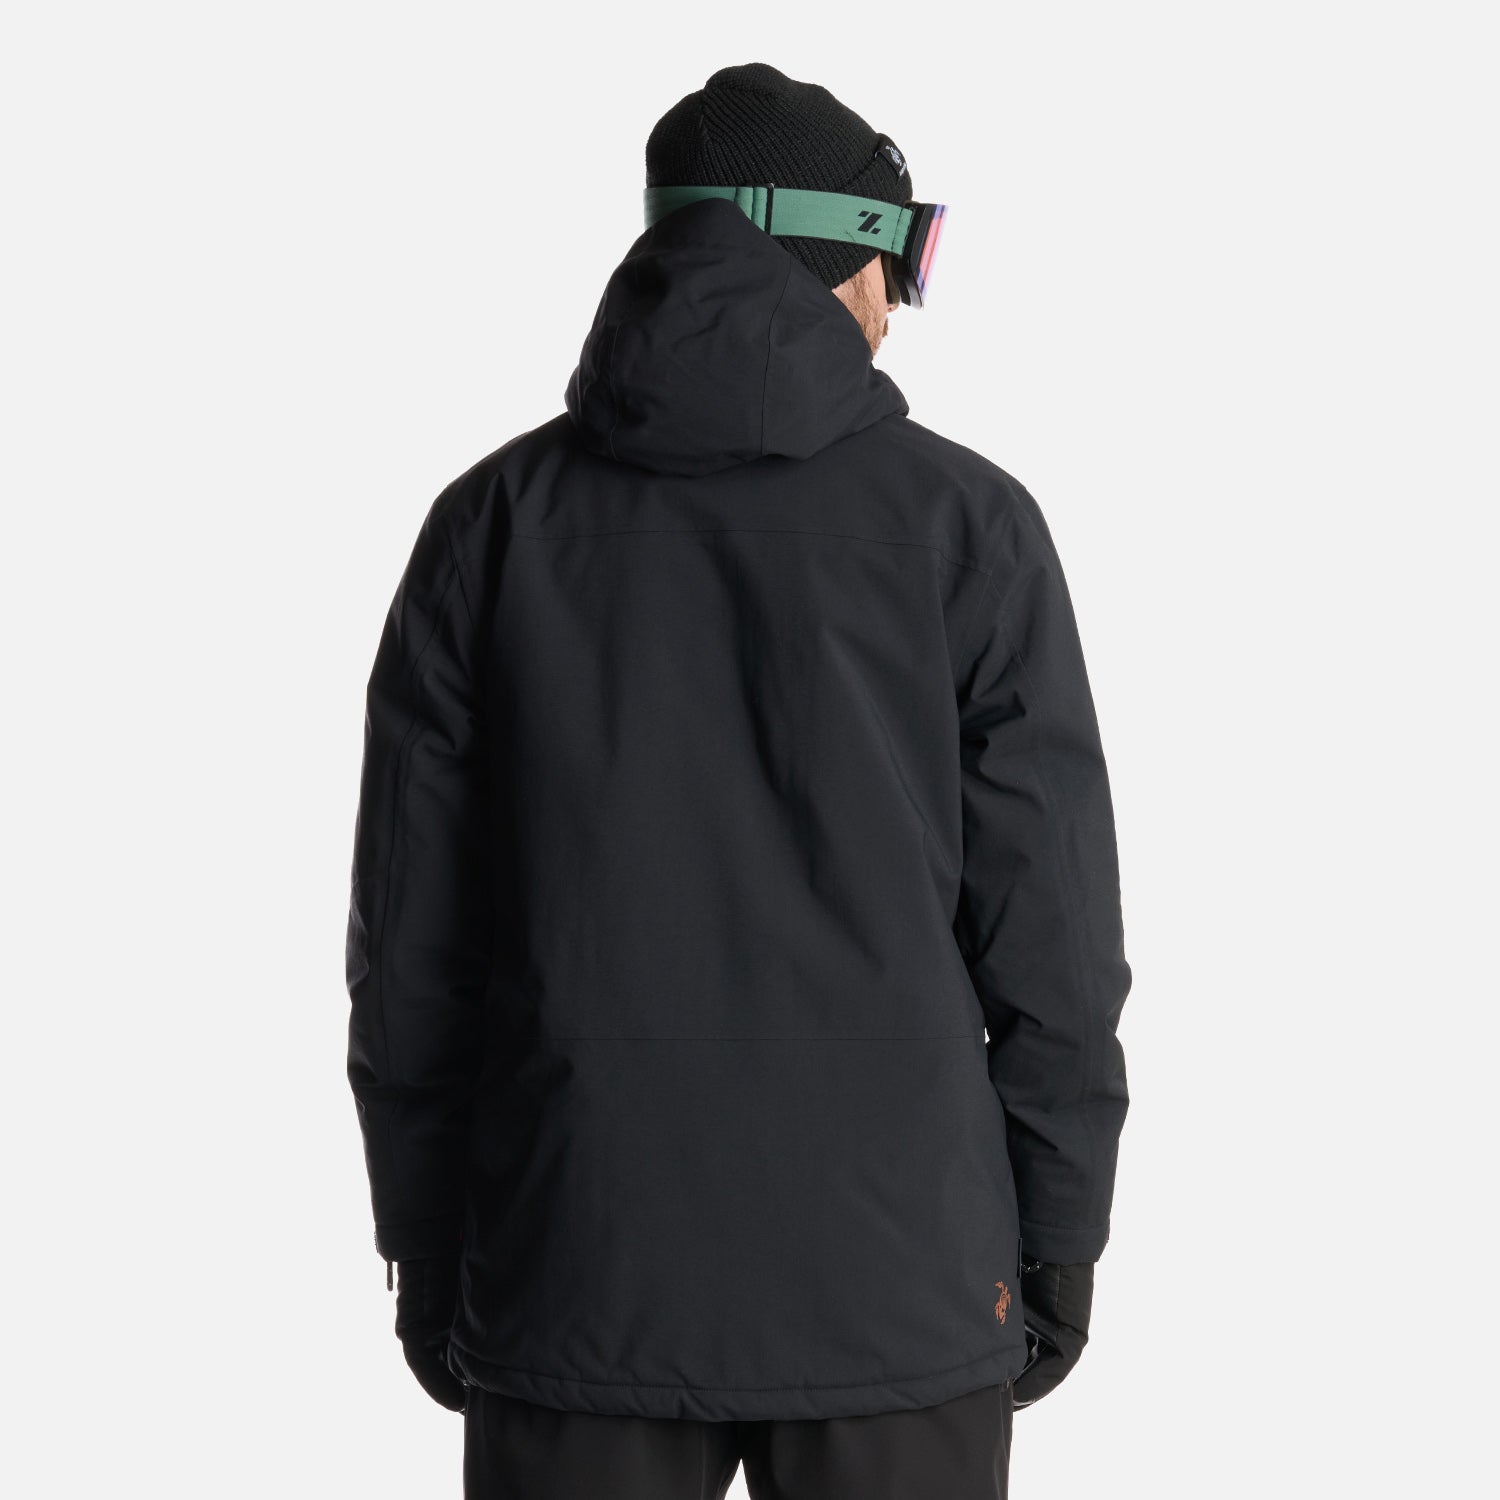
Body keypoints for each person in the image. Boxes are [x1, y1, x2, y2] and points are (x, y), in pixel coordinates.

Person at [344, 61, 1132, 1500]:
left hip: (575, 1266)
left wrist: (427, 1239)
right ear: (839, 255)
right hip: (898, 1286)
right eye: (902, 262)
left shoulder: (490, 527)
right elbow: (1055, 942)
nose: (898, 308)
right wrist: (1060, 1232)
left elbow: (410, 953)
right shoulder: (971, 527)